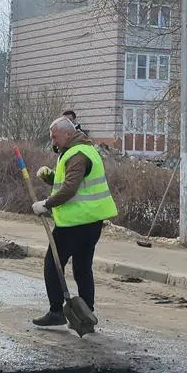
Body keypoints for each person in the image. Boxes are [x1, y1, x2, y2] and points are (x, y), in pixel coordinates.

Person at [31, 116, 117, 328]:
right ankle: (87, 314)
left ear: (67, 134)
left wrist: (46, 204)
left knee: (53, 263)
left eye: (55, 137)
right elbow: (75, 182)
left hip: (75, 223)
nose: (53, 141)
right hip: (92, 221)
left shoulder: (77, 154)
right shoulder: (83, 150)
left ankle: (56, 311)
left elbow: (70, 189)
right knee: (82, 266)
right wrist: (51, 178)